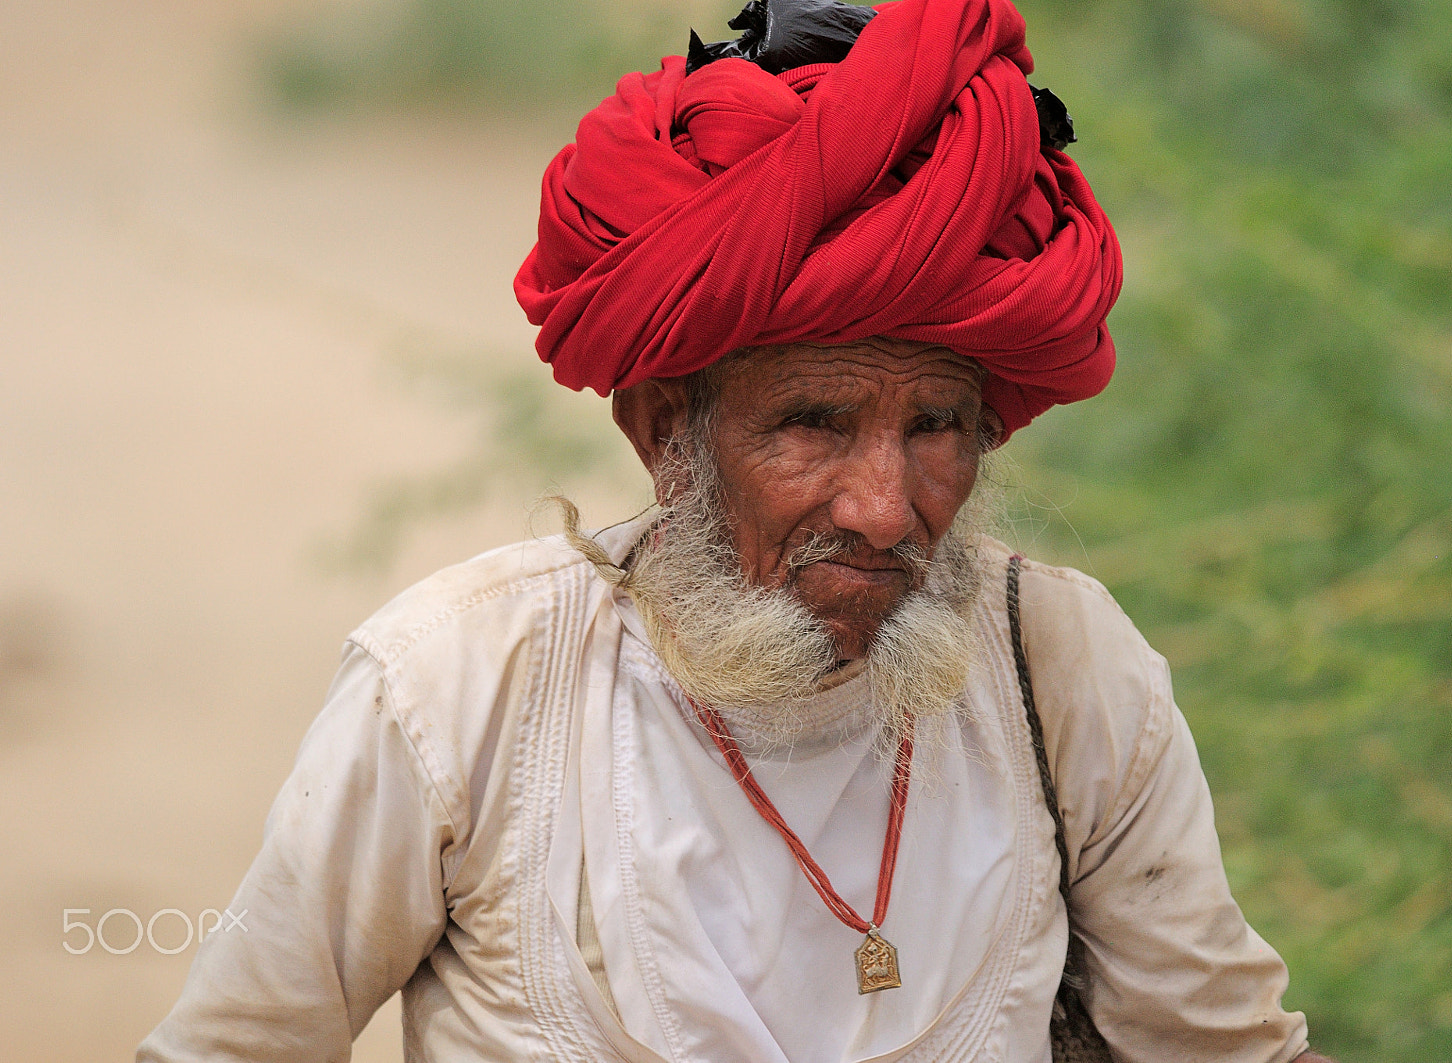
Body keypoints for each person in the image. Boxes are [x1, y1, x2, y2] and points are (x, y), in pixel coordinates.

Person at [140, 0, 1333, 1059]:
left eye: (936, 425)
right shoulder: (458, 684)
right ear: (667, 432)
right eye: (814, 423)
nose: (883, 506)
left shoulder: (1063, 670)